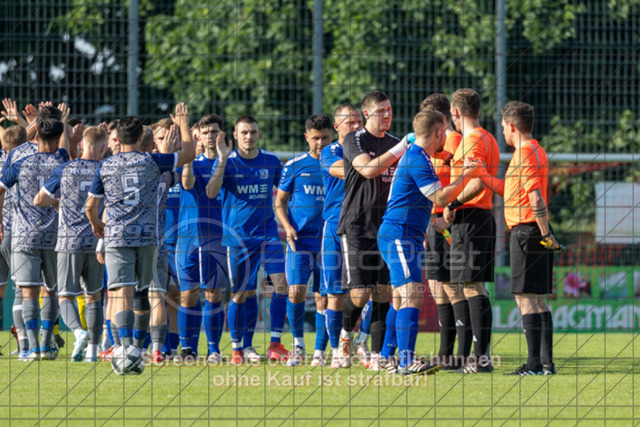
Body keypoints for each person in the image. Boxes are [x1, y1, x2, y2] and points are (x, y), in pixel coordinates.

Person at [85, 104, 195, 357]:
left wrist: (95, 224)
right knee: (146, 294)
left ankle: (125, 347)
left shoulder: (106, 166)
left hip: (117, 237)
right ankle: (141, 347)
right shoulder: (153, 161)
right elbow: (189, 152)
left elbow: (90, 206)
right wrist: (183, 123)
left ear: (119, 138)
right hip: (149, 238)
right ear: (139, 138)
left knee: (121, 293)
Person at [378, 110, 480, 374]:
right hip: (399, 234)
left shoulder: (418, 155)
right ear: (437, 132)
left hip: (405, 234)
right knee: (412, 294)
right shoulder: (417, 158)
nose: (446, 136)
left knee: (400, 297)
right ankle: (406, 361)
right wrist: (466, 175)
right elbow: (441, 198)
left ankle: (386, 357)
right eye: (445, 131)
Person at [471, 101, 556, 375]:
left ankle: (533, 365)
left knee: (525, 297)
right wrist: (482, 174)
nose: (503, 132)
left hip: (527, 231)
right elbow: (511, 191)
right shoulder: (537, 150)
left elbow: (535, 196)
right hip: (536, 230)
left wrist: (545, 233)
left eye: (504, 127)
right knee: (538, 298)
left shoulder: (524, 153)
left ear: (511, 126)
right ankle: (546, 364)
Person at [206, 115, 290, 365]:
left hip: (268, 235)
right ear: (235, 135)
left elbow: (285, 194)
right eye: (244, 132)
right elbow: (211, 192)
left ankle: (275, 344)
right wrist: (222, 159)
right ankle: (237, 349)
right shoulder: (227, 161)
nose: (249, 137)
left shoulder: (271, 161)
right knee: (241, 294)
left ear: (258, 134)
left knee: (282, 284)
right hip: (238, 239)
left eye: (253, 132)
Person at [337, 90, 411, 369]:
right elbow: (368, 170)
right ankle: (345, 339)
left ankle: (378, 355)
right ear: (367, 113)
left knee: (382, 292)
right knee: (360, 294)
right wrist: (401, 148)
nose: (388, 115)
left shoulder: (395, 143)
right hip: (356, 226)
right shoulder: (354, 139)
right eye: (382, 111)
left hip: (386, 230)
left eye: (390, 109)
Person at [0, 106, 70, 360]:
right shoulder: (63, 162)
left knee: (27, 292)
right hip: (54, 236)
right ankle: (46, 344)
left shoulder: (19, 161)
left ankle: (30, 348)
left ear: (36, 132)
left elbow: (0, 189)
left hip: (22, 235)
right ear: (59, 137)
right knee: (50, 291)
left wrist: (0, 224)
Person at [35, 126, 108, 362]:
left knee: (65, 296)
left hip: (69, 241)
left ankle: (78, 332)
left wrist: (60, 202)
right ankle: (93, 351)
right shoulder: (106, 169)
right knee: (94, 297)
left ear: (81, 145)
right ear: (103, 149)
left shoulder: (65, 168)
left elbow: (40, 200)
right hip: (97, 241)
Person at [444, 88, 500, 373]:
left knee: (470, 286)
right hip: (483, 216)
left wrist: (452, 203)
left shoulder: (471, 139)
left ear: (456, 112)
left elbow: (477, 182)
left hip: (470, 217)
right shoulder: (489, 137)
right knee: (475, 286)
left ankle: (479, 359)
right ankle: (479, 356)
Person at [275, 114, 332, 366]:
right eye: (316, 138)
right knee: (296, 290)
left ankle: (319, 352)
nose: (320, 143)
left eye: (325, 138)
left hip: (328, 242)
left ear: (332, 136)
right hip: (299, 241)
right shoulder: (295, 165)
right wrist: (287, 227)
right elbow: (279, 202)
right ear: (307, 137)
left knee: (324, 297)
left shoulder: (340, 165)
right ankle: (298, 346)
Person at [419, 93, 471, 369]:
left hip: (445, 221)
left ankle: (461, 355)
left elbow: (463, 182)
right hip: (431, 221)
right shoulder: (432, 147)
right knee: (437, 286)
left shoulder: (454, 142)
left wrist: (447, 216)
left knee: (451, 286)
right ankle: (446, 353)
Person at [177, 115, 228, 362]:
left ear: (221, 134)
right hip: (188, 237)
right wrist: (188, 156)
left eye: (214, 131)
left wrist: (222, 159)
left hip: (216, 236)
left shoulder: (229, 163)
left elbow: (213, 191)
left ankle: (213, 348)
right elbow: (187, 184)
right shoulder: (189, 162)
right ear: (198, 136)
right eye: (205, 132)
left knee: (213, 293)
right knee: (188, 294)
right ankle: (187, 348)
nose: (210, 136)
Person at [320, 103, 365, 368]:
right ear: (337, 127)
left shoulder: (370, 150)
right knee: (335, 294)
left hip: (364, 227)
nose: (357, 127)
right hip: (335, 229)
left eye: (360, 121)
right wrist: (373, 165)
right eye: (351, 123)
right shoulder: (330, 151)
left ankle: (363, 343)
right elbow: (346, 170)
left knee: (370, 289)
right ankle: (338, 350)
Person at [0, 125, 28, 357]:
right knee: (23, 287)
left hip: (2, 231)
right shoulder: (24, 162)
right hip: (16, 232)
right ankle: (25, 344)